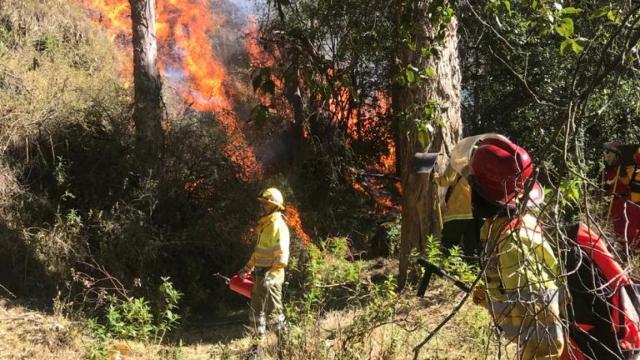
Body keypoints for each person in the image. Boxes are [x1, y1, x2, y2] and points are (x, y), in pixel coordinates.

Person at [469, 137, 564, 359]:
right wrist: (492, 294)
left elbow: (544, 331)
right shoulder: (499, 226)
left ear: (483, 193)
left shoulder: (514, 242)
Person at [239, 187, 290, 339]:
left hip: (271, 277)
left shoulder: (278, 225)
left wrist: (273, 275)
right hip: (260, 276)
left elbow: (282, 255)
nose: (263, 206)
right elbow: (259, 252)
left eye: (266, 204)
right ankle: (256, 349)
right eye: (262, 203)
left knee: (274, 315)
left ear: (275, 206)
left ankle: (285, 348)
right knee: (256, 315)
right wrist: (247, 268)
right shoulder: (265, 226)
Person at [435, 162, 481, 259]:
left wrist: (435, 177)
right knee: (472, 249)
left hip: (458, 212)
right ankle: (471, 272)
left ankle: (445, 271)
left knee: (448, 244)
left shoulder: (458, 162)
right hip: (476, 213)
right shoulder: (482, 165)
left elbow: (446, 180)